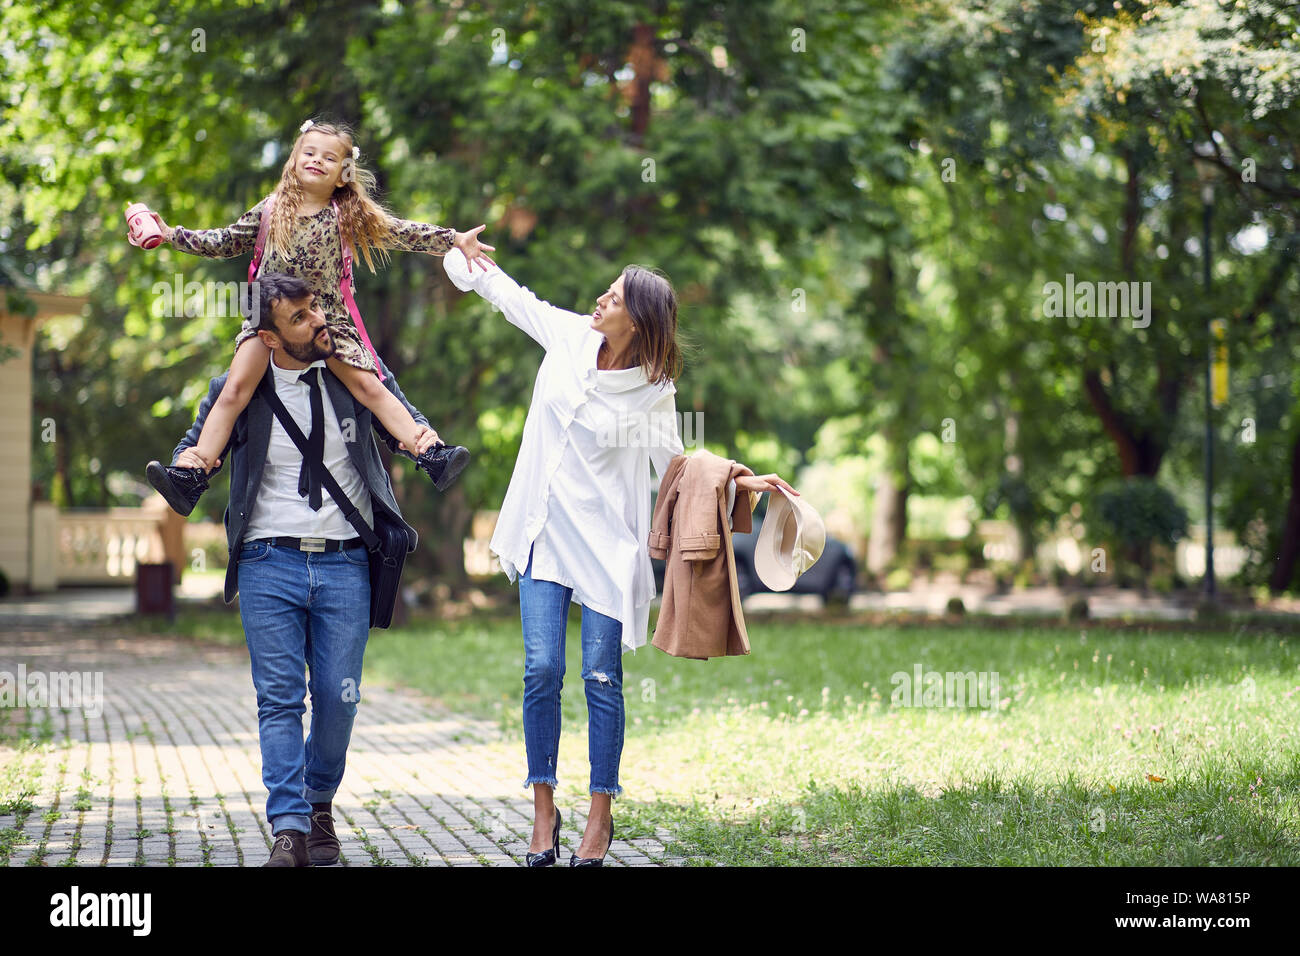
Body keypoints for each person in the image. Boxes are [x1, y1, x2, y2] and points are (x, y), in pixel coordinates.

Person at [443, 248, 797, 866]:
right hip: (541, 533)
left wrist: (742, 481)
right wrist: (459, 252)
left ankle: (600, 816)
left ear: (637, 320)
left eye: (614, 296)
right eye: (605, 291)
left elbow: (680, 468)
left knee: (602, 679)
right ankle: (544, 809)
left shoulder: (653, 393)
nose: (600, 300)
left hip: (606, 546)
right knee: (540, 670)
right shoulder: (569, 337)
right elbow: (508, 295)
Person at [173, 271, 437, 866]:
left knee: (338, 698)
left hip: (346, 561)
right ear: (268, 337)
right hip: (269, 559)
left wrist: (426, 443)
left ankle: (319, 801)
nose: (318, 321)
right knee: (280, 699)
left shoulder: (351, 372)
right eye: (300, 317)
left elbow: (400, 415)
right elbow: (197, 444)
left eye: (316, 308)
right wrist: (184, 462)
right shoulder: (240, 384)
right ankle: (290, 826)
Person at [138, 117, 495, 516]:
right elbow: (223, 241)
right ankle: (194, 473)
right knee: (234, 389)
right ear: (293, 159)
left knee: (371, 387)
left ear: (344, 174)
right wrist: (170, 233)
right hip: (270, 319)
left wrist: (453, 239)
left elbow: (400, 231)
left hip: (327, 320)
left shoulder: (346, 215)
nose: (317, 161)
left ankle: (428, 452)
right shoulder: (270, 211)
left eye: (329, 158)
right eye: (309, 153)